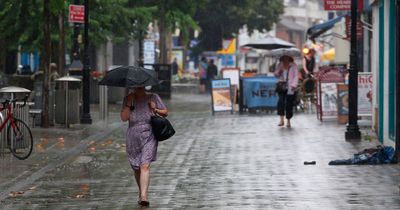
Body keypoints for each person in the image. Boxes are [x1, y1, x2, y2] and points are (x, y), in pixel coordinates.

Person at [120, 87, 168, 207]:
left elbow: (165, 112)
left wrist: (154, 108)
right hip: (133, 136)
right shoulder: (128, 99)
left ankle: (144, 196)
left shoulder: (153, 97)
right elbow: (124, 118)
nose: (138, 88)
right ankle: (141, 191)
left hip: (149, 133)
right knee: (137, 168)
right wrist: (129, 103)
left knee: (144, 165)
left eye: (140, 85)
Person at [274, 55, 298, 128]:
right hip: (281, 86)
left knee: (289, 104)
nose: (285, 59)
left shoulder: (293, 65)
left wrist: (294, 85)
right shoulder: (279, 65)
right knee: (280, 102)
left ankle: (288, 121)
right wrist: (279, 72)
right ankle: (281, 120)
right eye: (284, 57)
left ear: (289, 57)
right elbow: (276, 75)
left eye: (287, 57)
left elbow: (296, 76)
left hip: (290, 88)